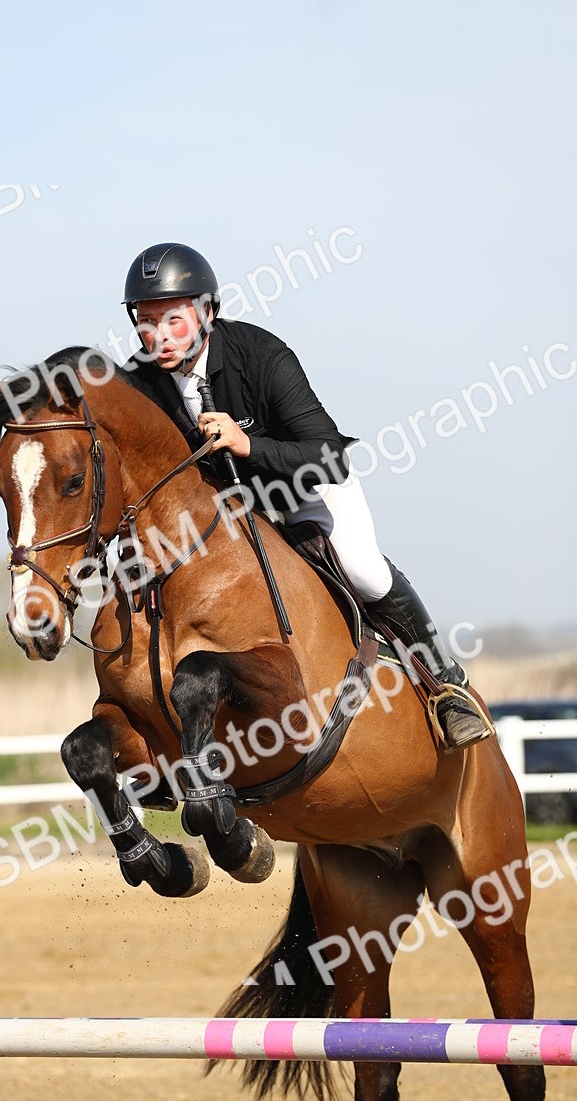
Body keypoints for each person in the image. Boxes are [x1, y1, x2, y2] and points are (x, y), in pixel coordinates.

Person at [120, 242, 494, 752]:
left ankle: (446, 684)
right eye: (145, 321)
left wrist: (248, 445)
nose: (157, 336)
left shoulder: (261, 355)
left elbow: (329, 456)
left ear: (207, 312)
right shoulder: (141, 381)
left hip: (305, 490)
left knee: (364, 571)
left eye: (172, 320)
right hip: (231, 516)